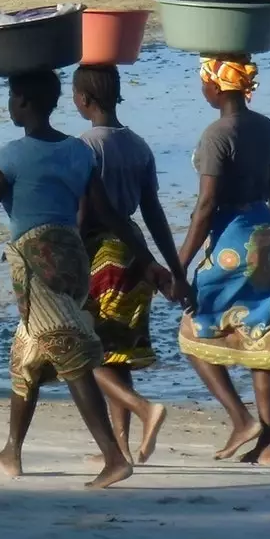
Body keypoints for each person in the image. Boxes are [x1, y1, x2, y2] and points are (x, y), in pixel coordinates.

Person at [0, 68, 170, 490]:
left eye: (12, 98)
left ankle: (114, 458)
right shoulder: (78, 153)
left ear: (23, 102)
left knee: (69, 352)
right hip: (74, 261)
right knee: (27, 356)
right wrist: (149, 262)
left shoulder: (10, 156)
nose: (10, 105)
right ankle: (12, 451)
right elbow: (111, 216)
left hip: (36, 266)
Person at [179, 56, 270, 466]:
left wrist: (180, 264)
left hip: (232, 239)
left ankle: (241, 420)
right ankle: (269, 446)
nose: (202, 89)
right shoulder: (265, 127)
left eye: (203, 82)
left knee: (193, 332)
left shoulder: (216, 135)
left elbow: (206, 205)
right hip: (267, 233)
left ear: (215, 86)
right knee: (261, 336)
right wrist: (269, 230)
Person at [71, 63, 187, 465]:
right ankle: (119, 447)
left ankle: (143, 409)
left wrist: (63, 251)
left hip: (102, 257)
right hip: (136, 255)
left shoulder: (84, 146)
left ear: (82, 99)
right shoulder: (138, 145)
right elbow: (153, 212)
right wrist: (173, 267)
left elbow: (84, 213)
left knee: (86, 352)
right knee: (116, 352)